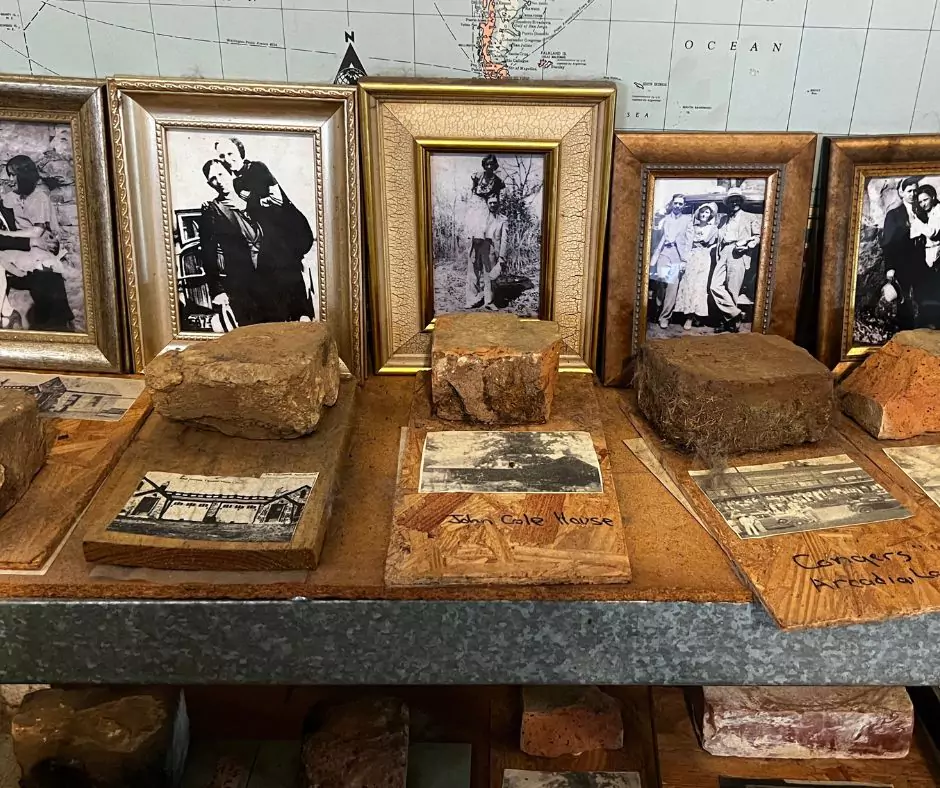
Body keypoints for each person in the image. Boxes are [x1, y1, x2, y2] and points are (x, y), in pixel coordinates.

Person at [213, 138, 315, 320]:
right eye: (222, 156)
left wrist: (246, 204)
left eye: (230, 154)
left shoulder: (257, 168)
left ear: (240, 153)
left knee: (282, 264)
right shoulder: (234, 182)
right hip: (266, 233)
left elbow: (277, 201)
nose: (227, 159)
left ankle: (302, 315)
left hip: (288, 228)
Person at [0, 155, 72, 331]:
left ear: (24, 174)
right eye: (8, 175)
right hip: (22, 245)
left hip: (36, 244)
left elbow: (37, 232)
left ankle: (57, 322)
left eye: (12, 175)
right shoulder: (9, 197)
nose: (9, 179)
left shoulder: (39, 197)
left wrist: (7, 233)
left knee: (45, 268)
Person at [711, 189, 761, 333]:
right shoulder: (724, 219)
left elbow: (757, 236)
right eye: (732, 200)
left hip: (739, 253)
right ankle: (735, 314)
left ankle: (729, 324)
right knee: (715, 286)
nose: (734, 203)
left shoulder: (750, 217)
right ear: (728, 203)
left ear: (741, 201)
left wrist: (747, 246)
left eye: (737, 200)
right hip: (724, 252)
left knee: (732, 289)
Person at [881, 176, 924, 330]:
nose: (913, 194)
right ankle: (905, 332)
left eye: (915, 191)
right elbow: (888, 243)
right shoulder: (894, 215)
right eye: (909, 191)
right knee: (903, 299)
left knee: (922, 298)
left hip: (922, 263)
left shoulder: (924, 211)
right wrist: (890, 267)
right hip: (902, 263)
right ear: (902, 193)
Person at [672, 202, 718, 331]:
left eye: (707, 212)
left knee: (699, 286)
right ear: (699, 213)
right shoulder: (692, 227)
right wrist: (685, 259)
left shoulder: (713, 229)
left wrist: (709, 249)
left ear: (710, 215)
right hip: (692, 257)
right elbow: (687, 244)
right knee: (688, 284)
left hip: (704, 259)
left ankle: (692, 317)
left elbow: (716, 244)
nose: (704, 214)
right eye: (702, 212)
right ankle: (686, 313)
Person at [650, 193, 692, 329]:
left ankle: (665, 317)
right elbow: (655, 233)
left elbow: (688, 242)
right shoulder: (665, 219)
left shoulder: (687, 220)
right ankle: (656, 312)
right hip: (664, 254)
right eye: (676, 203)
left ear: (683, 206)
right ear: (672, 204)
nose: (678, 206)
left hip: (676, 255)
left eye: (680, 204)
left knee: (672, 287)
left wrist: (684, 260)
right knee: (661, 285)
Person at [466, 193, 508, 311]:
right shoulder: (479, 216)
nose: (493, 205)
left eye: (495, 202)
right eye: (490, 203)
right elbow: (470, 229)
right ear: (487, 204)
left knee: (489, 274)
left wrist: (502, 257)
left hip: (491, 248)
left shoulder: (502, 219)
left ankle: (489, 301)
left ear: (498, 203)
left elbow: (504, 239)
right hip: (476, 246)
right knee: (473, 273)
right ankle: (472, 300)